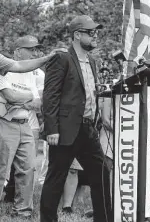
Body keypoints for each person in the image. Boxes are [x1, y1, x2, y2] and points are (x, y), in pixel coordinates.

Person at [40, 15, 112, 222]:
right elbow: (50, 95)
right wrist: (52, 128)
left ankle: (104, 218)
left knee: (101, 174)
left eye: (96, 32)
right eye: (91, 33)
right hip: (64, 129)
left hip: (88, 129)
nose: (95, 35)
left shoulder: (92, 61)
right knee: (56, 177)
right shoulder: (61, 58)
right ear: (77, 35)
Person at [0, 35, 45, 218]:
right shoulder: (5, 69)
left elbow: (39, 103)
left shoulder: (36, 74)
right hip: (5, 122)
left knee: (28, 168)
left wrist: (20, 99)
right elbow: (10, 97)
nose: (35, 52)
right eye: (30, 49)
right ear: (18, 51)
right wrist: (26, 99)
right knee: (2, 170)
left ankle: (23, 211)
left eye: (36, 49)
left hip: (26, 124)